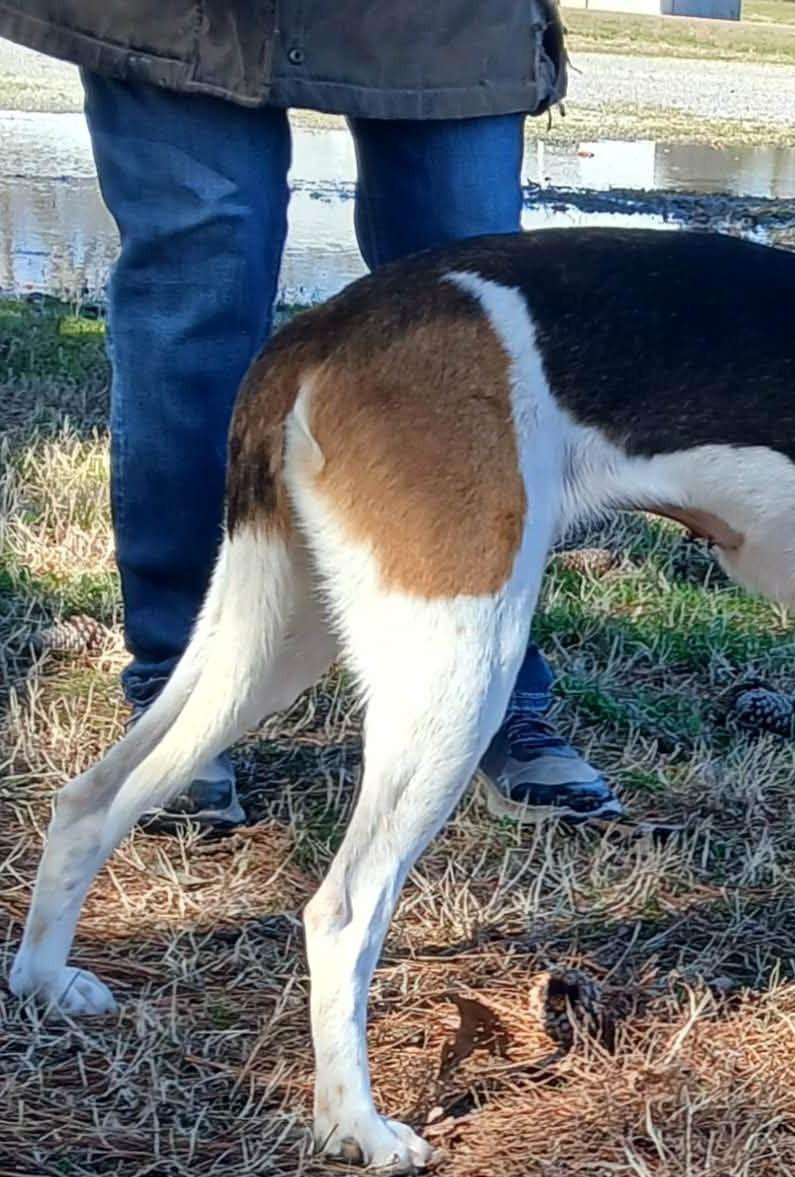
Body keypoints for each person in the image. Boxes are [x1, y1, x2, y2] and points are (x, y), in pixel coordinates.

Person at [0, 1, 626, 829]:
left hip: (443, 22)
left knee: (471, 315)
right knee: (196, 290)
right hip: (179, 16)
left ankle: (488, 689)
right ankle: (178, 687)